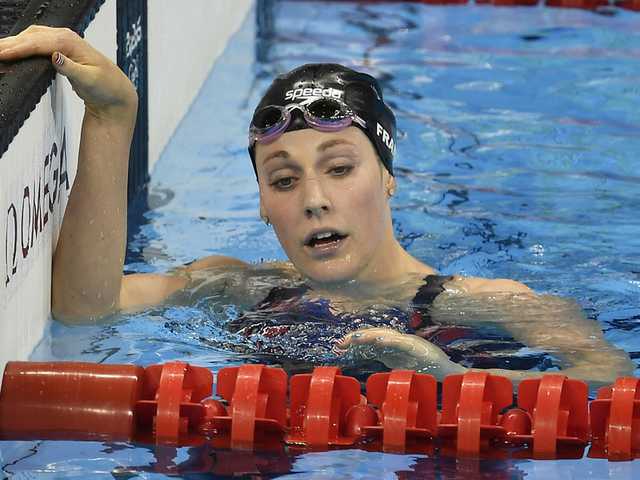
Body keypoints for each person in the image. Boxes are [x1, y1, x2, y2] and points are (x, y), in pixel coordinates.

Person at [0, 26, 633, 387]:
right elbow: (85, 310)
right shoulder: (234, 286)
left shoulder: (493, 302)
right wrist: (114, 116)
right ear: (261, 205)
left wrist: (449, 380)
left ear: (387, 178)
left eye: (339, 168)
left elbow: (609, 380)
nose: (314, 201)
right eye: (283, 180)